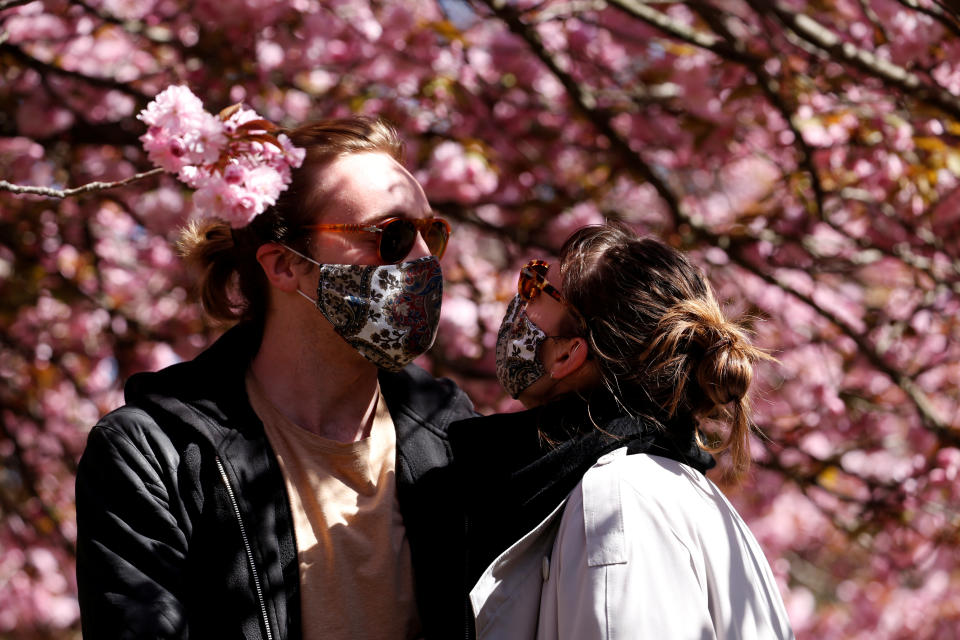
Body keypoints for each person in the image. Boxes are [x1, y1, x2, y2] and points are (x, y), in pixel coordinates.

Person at [75, 116, 476, 640]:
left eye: (433, 233)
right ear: (285, 264)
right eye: (393, 235)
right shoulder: (155, 457)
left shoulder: (452, 434)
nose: (424, 259)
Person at [448, 223, 794, 639]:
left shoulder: (620, 499)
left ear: (568, 353)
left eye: (535, 283)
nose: (520, 295)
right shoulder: (662, 486)